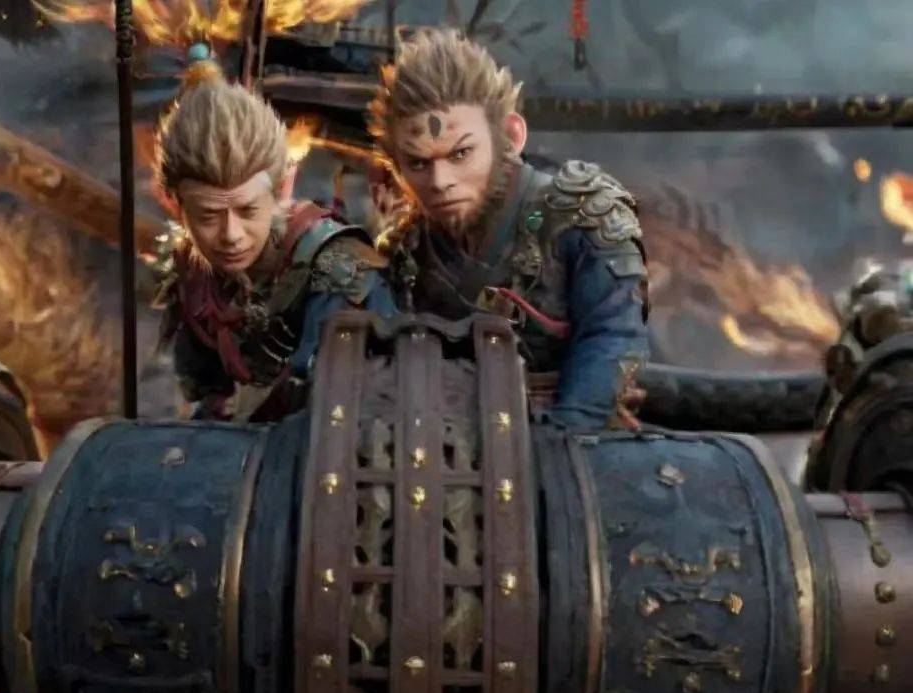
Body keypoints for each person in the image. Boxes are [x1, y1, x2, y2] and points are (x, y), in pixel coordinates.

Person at [368, 29, 649, 429]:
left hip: (570, 434)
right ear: (395, 166)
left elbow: (612, 337)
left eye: (461, 154)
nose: (440, 181)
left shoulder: (582, 214)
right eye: (418, 163)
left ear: (511, 136)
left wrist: (561, 436)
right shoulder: (404, 251)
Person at [154, 65, 395, 421]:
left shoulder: (338, 269)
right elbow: (204, 391)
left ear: (281, 188)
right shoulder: (193, 275)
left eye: (248, 210)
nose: (231, 235)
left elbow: (344, 407)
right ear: (176, 204)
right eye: (208, 216)